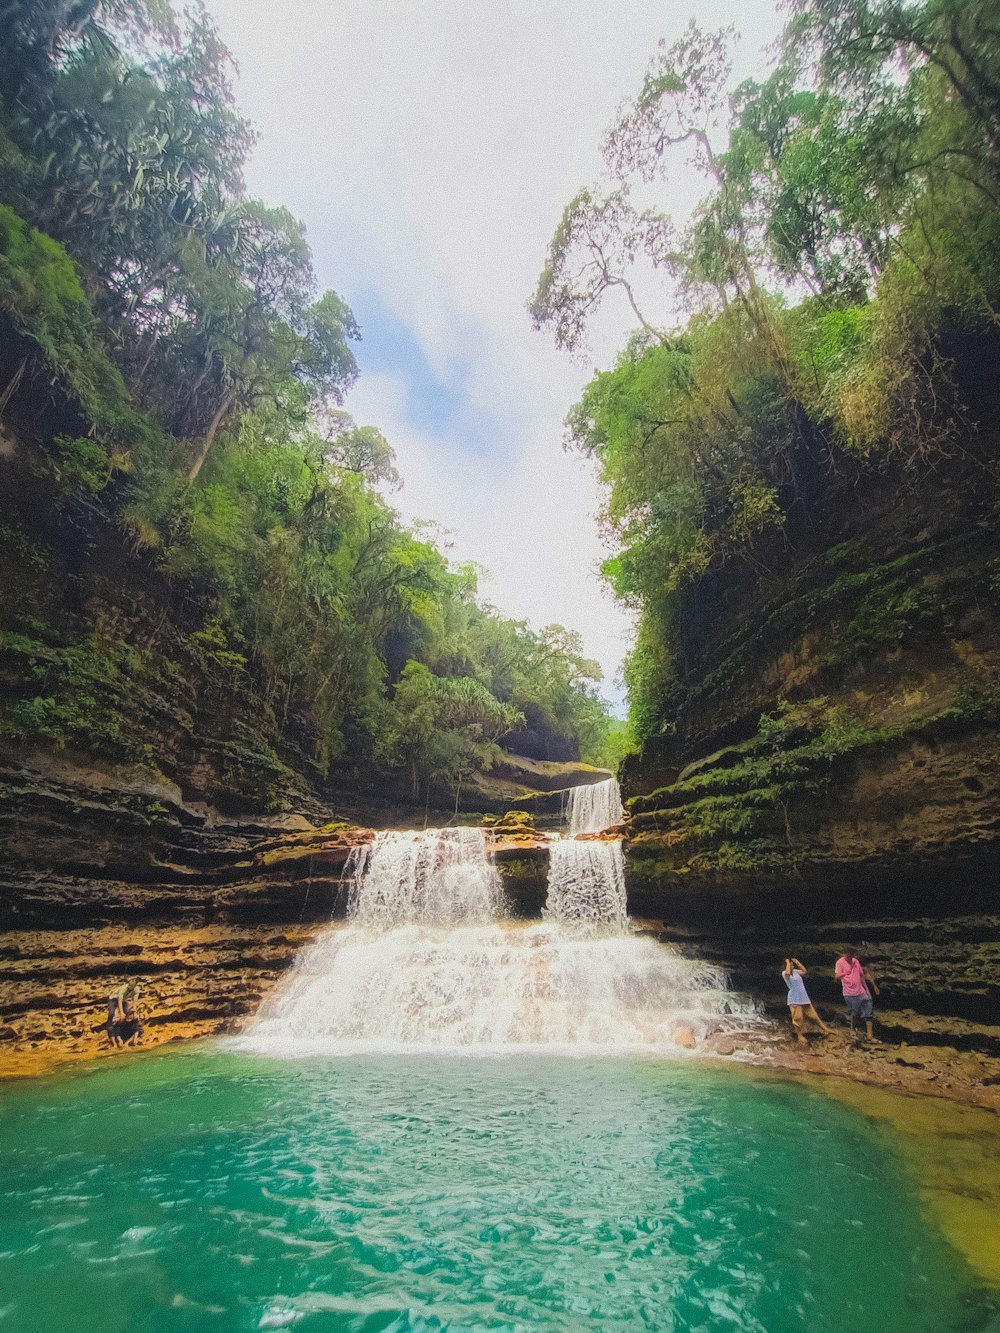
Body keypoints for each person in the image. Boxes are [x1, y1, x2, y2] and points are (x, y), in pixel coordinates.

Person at [781, 957, 832, 1045]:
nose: (792, 966)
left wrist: (797, 962)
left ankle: (825, 1029)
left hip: (803, 996)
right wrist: (787, 962)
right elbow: (788, 972)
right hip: (794, 998)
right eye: (791, 965)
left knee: (814, 1015)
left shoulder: (796, 972)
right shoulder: (785, 973)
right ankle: (799, 1035)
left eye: (792, 965)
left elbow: (805, 971)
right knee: (797, 1018)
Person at [834, 949, 880, 1040]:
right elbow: (836, 976)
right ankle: (852, 1029)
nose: (849, 957)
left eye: (851, 955)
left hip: (862, 991)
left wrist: (868, 988)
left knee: (869, 1012)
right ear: (844, 954)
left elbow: (861, 975)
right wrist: (845, 973)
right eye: (847, 955)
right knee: (855, 1013)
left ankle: (869, 1035)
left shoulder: (855, 962)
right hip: (850, 993)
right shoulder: (840, 962)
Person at [110, 978, 145, 1048]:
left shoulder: (136, 989)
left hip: (124, 1000)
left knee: (128, 1015)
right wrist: (121, 1012)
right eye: (129, 985)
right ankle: (114, 1037)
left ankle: (127, 1034)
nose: (130, 987)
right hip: (114, 999)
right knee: (111, 1015)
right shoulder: (123, 989)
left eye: (131, 986)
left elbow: (134, 1002)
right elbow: (119, 1001)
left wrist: (134, 1012)